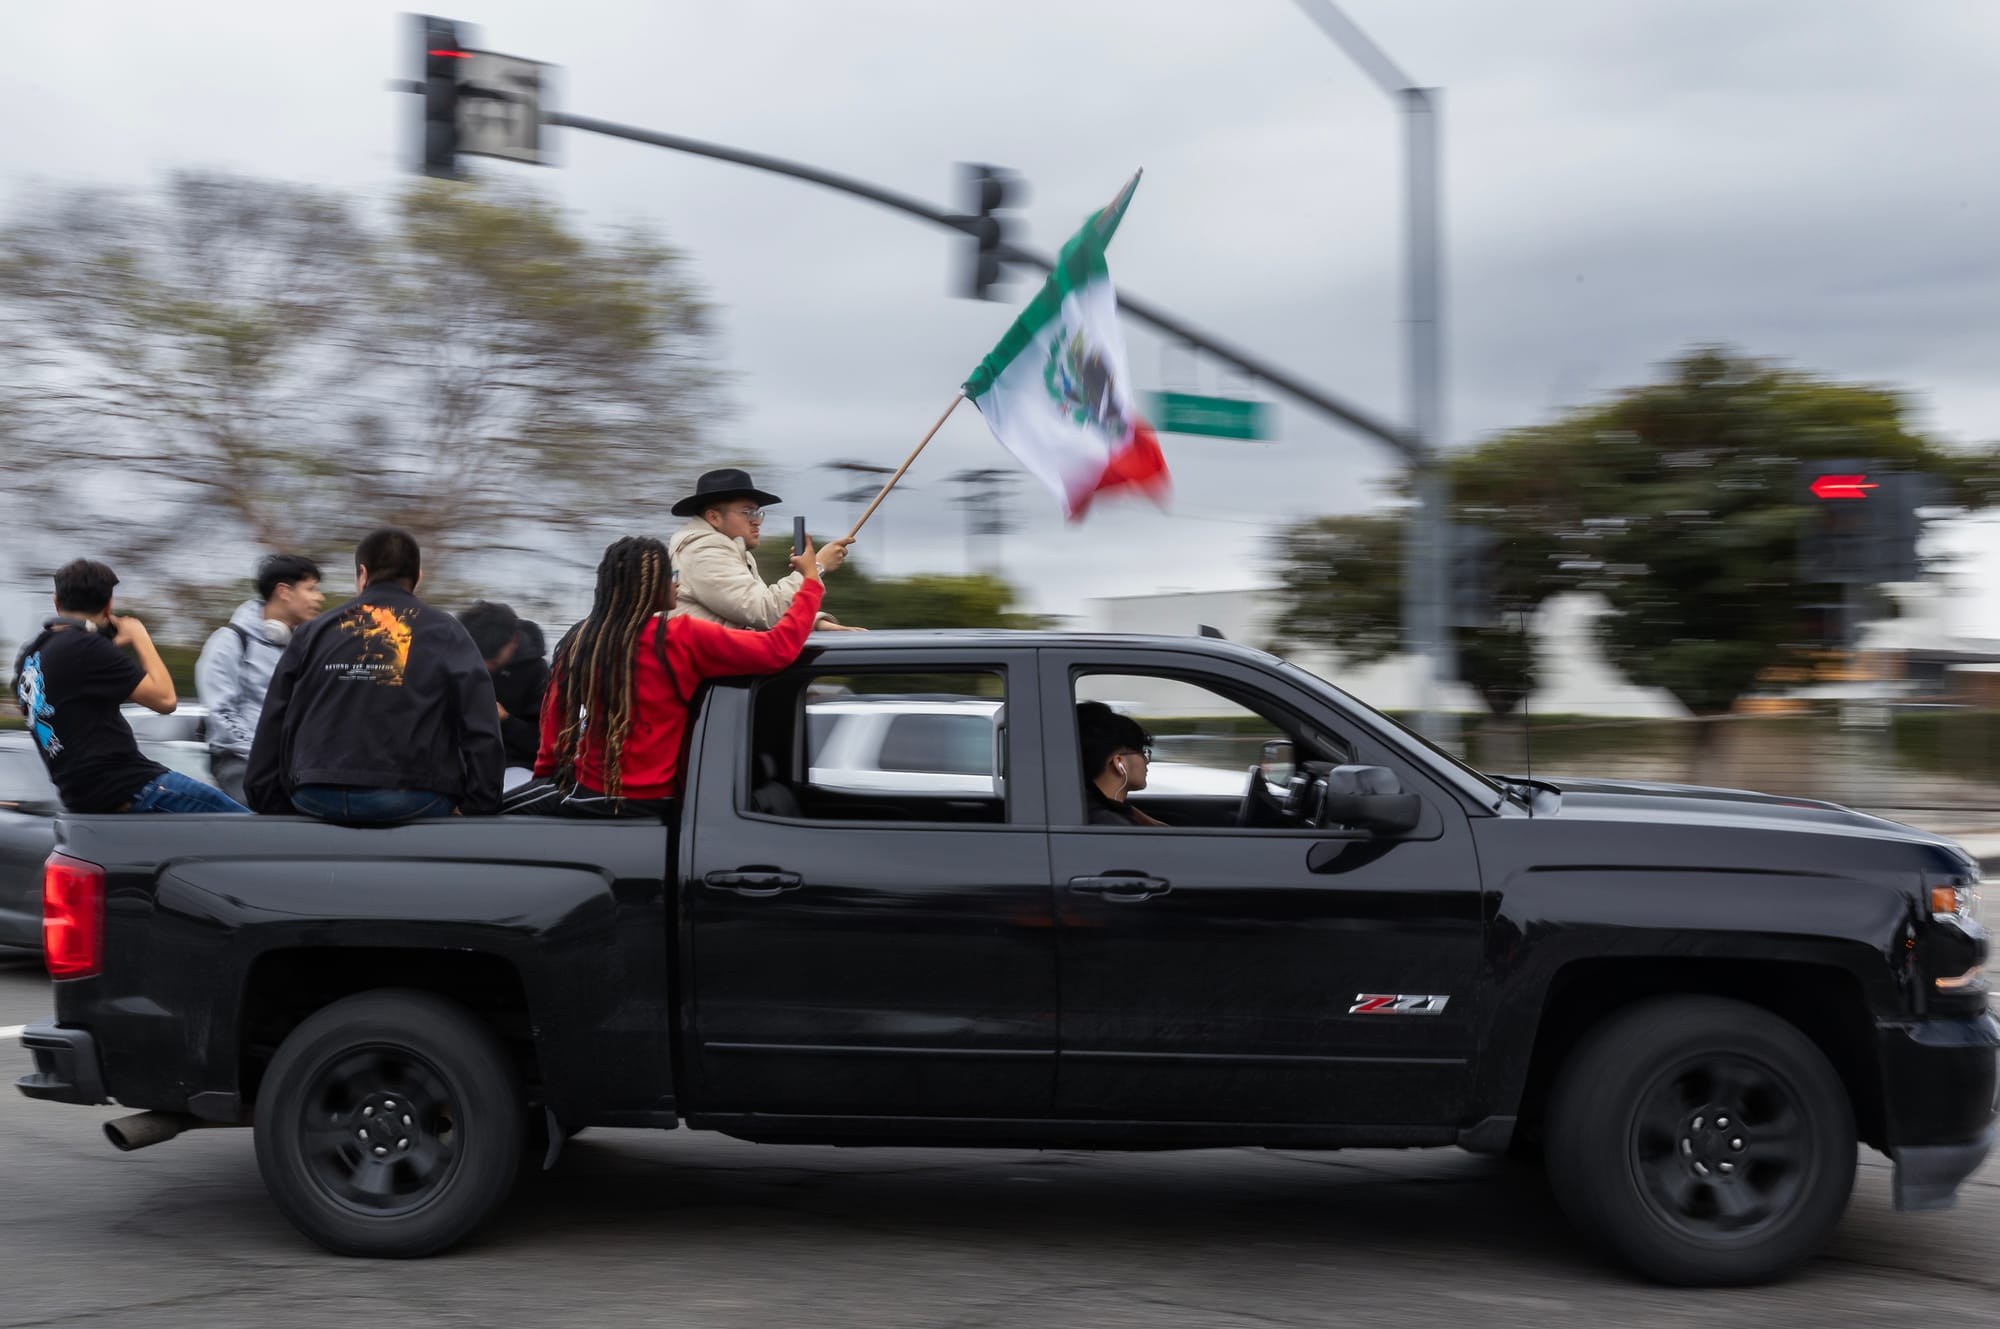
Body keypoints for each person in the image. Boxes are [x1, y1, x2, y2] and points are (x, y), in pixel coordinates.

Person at [505, 532, 824, 818]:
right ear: (649, 586)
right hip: (660, 800)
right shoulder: (682, 636)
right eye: (671, 575)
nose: (678, 583)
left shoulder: (584, 641)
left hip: (593, 796)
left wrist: (545, 776)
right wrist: (810, 580)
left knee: (485, 812)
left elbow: (554, 725)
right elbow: (780, 647)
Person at [245, 527, 504, 824]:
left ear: (363, 574)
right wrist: (479, 804)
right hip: (410, 797)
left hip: (314, 795)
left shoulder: (312, 633)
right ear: (417, 578)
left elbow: (274, 720)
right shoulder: (447, 632)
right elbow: (482, 724)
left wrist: (271, 803)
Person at [10, 559, 246, 814]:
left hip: (79, 798)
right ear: (108, 605)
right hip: (131, 786)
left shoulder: (29, 657)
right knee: (251, 829)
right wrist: (139, 636)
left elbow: (70, 690)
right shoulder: (88, 648)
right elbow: (165, 700)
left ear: (57, 602)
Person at [195, 553, 325, 803]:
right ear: (284, 592)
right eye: (311, 589)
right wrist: (264, 755)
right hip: (242, 764)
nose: (319, 597)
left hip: (290, 766)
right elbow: (220, 715)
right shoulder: (228, 642)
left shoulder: (302, 648)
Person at [667, 467, 856, 630]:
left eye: (758, 513)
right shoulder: (704, 550)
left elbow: (756, 614)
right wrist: (816, 566)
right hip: (706, 670)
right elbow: (766, 611)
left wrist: (815, 623)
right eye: (748, 513)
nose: (757, 521)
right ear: (714, 518)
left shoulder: (735, 552)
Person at [1077, 701, 1167, 827]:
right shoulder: (1112, 824)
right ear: (1119, 763)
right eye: (1141, 752)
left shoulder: (1087, 802)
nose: (1146, 761)